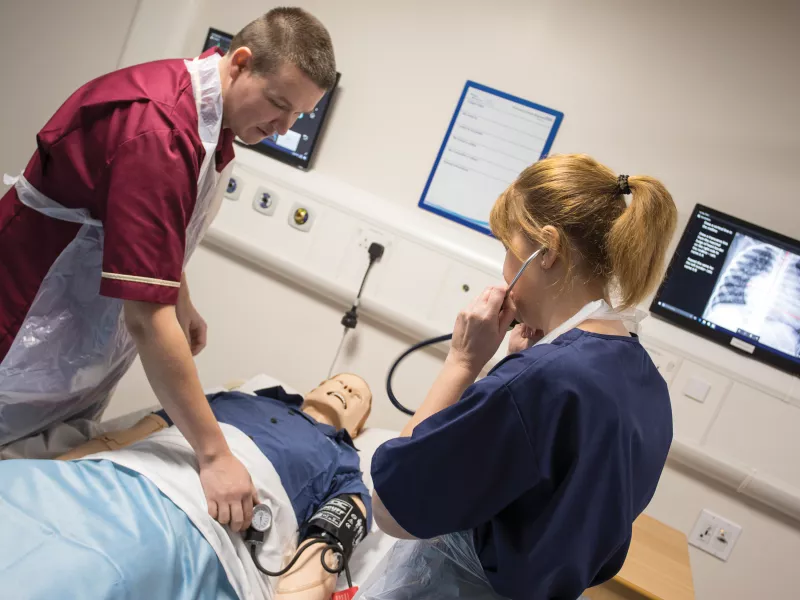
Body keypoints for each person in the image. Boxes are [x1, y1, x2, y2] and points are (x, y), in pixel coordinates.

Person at [0, 7, 335, 530]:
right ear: (241, 63)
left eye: (299, 117)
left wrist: (182, 297)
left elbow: (149, 227)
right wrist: (214, 455)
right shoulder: (159, 129)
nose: (282, 128)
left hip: (69, 338)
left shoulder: (211, 120)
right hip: (20, 324)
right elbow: (146, 319)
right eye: (278, 104)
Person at [362, 154, 679, 600]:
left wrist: (463, 362)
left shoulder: (540, 381)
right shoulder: (643, 381)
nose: (505, 270)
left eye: (507, 250)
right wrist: (520, 368)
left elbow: (393, 511)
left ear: (545, 250)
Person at [0, 374, 372, 600]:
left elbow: (322, 555)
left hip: (194, 515)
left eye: (357, 396)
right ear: (315, 387)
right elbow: (129, 435)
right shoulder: (235, 398)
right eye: (340, 381)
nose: (345, 390)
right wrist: (59, 466)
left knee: (81, 575)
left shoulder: (345, 465)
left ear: (358, 428)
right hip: (125, 467)